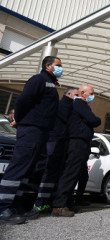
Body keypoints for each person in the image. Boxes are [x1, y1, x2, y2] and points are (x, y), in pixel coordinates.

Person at [0, 56, 61, 225]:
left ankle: (15, 206)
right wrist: (18, 118)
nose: (61, 68)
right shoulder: (39, 79)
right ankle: (2, 207)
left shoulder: (50, 83)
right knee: (18, 167)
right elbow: (22, 100)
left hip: (40, 132)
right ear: (48, 65)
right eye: (58, 65)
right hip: (31, 130)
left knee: (27, 170)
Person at [52, 84, 101, 217]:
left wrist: (92, 120)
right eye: (91, 93)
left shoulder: (84, 106)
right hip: (77, 141)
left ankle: (68, 203)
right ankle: (59, 205)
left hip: (82, 142)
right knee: (70, 173)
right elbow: (94, 120)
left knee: (75, 174)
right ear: (83, 93)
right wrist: (91, 120)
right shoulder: (79, 104)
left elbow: (94, 120)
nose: (92, 96)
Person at [34, 88, 78, 213]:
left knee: (55, 172)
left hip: (61, 141)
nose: (77, 97)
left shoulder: (69, 105)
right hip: (55, 140)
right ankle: (40, 202)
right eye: (75, 95)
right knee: (49, 171)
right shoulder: (64, 105)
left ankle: (48, 201)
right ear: (68, 94)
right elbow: (68, 120)